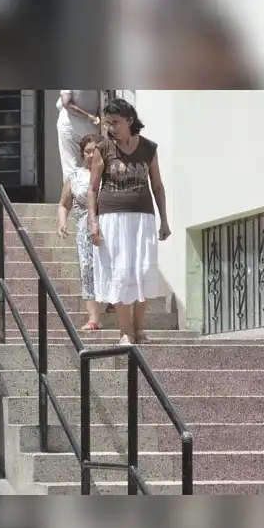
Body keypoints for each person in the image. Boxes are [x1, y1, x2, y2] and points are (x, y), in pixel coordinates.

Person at [87, 99, 171, 345]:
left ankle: (138, 327)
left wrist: (164, 219)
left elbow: (157, 185)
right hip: (112, 218)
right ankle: (125, 331)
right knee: (120, 274)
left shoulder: (148, 148)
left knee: (143, 271)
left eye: (116, 122)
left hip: (143, 218)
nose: (111, 128)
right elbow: (93, 188)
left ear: (130, 120)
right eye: (108, 123)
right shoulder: (103, 149)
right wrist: (93, 222)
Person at [57, 133, 104, 330]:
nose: (91, 155)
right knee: (87, 268)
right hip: (84, 224)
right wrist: (62, 223)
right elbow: (64, 203)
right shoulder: (75, 176)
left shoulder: (109, 172)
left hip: (109, 223)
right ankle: (93, 317)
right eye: (87, 151)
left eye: (95, 151)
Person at [56, 90, 102, 183]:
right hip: (93, 125)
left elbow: (66, 103)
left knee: (70, 167)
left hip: (71, 125)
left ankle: (72, 195)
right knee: (92, 164)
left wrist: (88, 116)